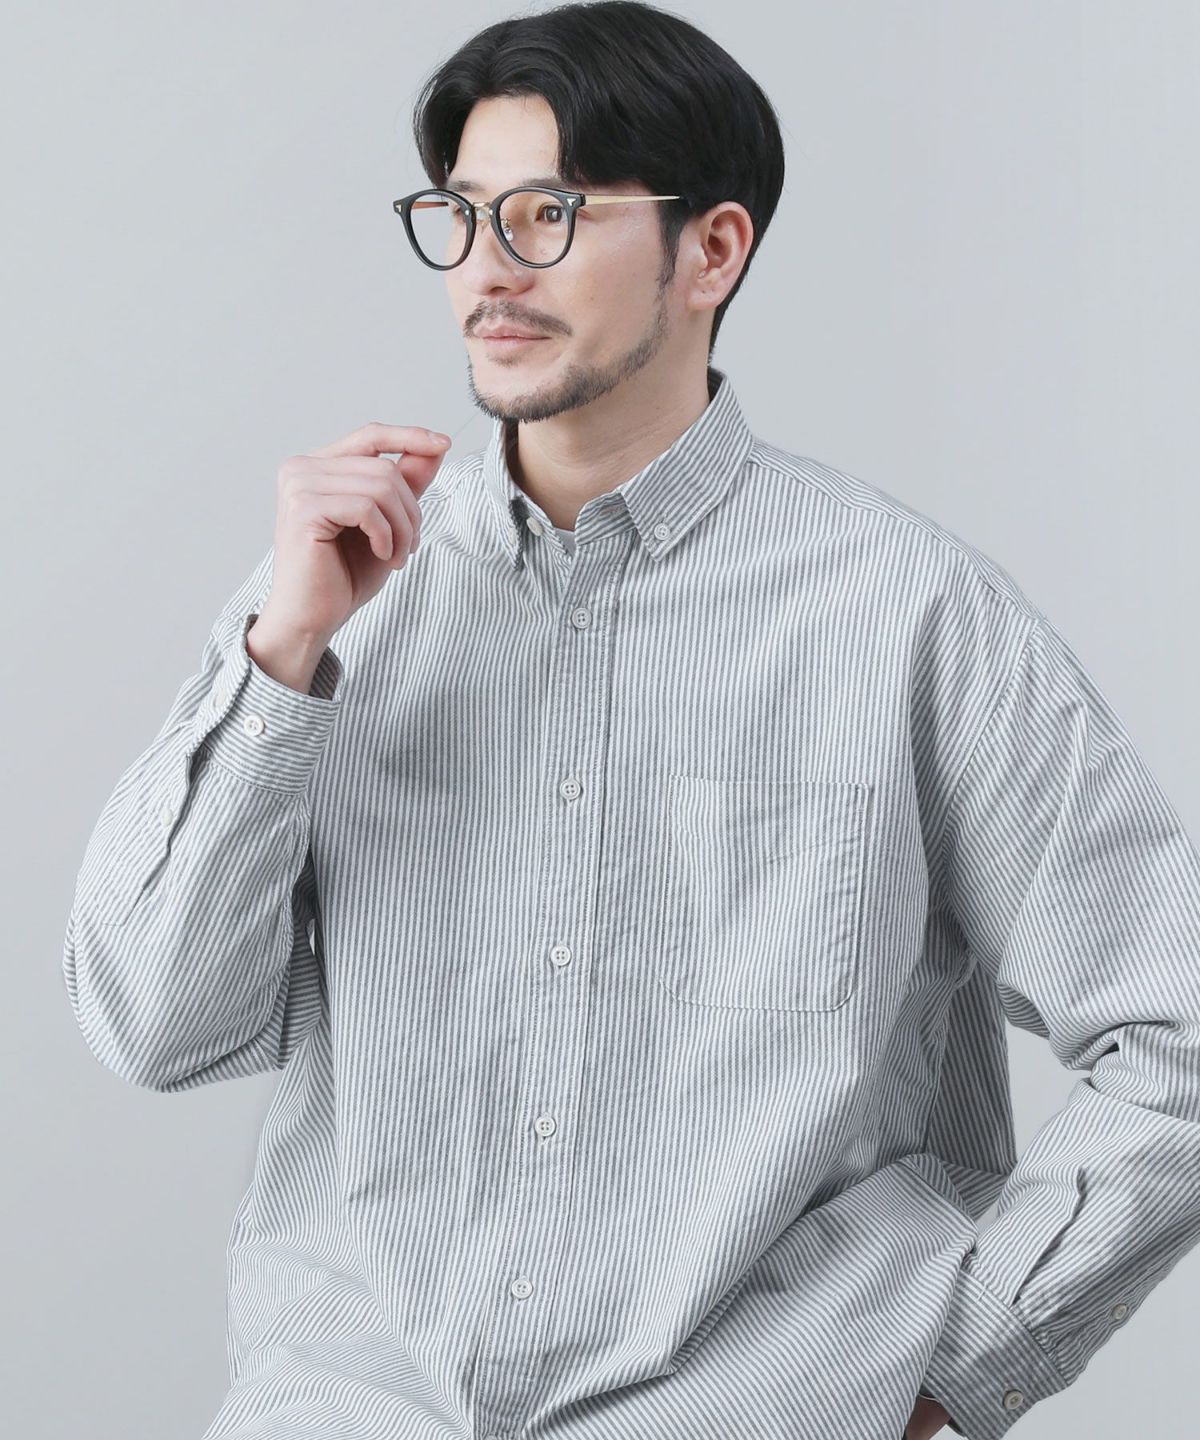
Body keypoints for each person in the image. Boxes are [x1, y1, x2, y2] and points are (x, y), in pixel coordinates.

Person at [62, 3, 1200, 1438]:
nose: (488, 268)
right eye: (461, 215)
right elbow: (155, 1026)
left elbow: (1178, 1029)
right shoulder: (336, 601)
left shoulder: (911, 613)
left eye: (549, 214)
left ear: (710, 251)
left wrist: (963, 1370)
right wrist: (278, 656)